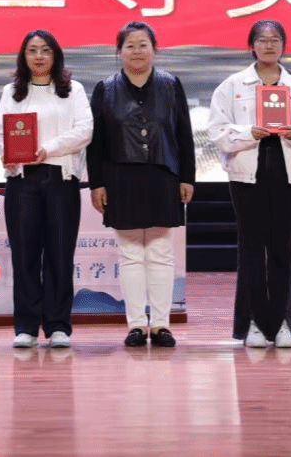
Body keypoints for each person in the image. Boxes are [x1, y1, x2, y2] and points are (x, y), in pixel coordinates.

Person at [208, 19, 291, 349]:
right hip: (247, 176)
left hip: (286, 174)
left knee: (282, 249)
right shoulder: (232, 85)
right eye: (262, 39)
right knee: (252, 249)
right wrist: (248, 132)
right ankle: (255, 323)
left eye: (275, 40)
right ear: (251, 45)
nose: (269, 45)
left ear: (283, 46)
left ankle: (282, 322)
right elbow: (217, 131)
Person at [88, 21, 195, 348]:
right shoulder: (105, 88)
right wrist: (96, 183)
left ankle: (161, 325)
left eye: (143, 44)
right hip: (120, 177)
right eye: (130, 45)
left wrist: (187, 177)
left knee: (161, 252)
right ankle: (136, 325)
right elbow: (96, 141)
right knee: (131, 254)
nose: (137, 51)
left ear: (155, 49)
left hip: (163, 174)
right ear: (119, 52)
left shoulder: (171, 84)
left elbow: (184, 135)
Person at [0, 30, 93, 349]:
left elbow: (85, 130)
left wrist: (47, 149)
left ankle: (58, 325)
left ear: (55, 55)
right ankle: (25, 326)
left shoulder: (73, 89)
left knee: (60, 254)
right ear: (23, 56)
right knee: (24, 255)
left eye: (45, 50)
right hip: (22, 180)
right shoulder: (12, 91)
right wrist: (9, 154)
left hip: (61, 179)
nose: (38, 56)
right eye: (32, 50)